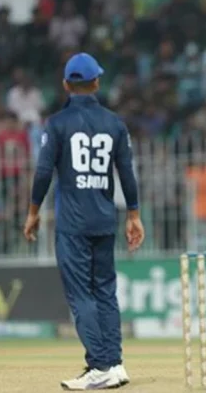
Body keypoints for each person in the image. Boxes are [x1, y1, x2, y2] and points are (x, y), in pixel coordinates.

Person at [23, 53, 145, 390]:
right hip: (105, 220)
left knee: (80, 296)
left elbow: (44, 172)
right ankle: (115, 363)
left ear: (65, 85)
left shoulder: (58, 124)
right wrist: (134, 215)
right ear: (97, 83)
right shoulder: (115, 123)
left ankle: (100, 365)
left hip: (73, 224)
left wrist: (33, 213)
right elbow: (127, 174)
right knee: (106, 292)